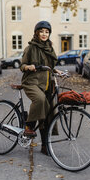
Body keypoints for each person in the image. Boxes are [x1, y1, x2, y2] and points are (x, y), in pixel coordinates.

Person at [20, 21, 62, 155]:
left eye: (47, 32)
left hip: (48, 84)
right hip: (31, 82)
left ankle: (45, 146)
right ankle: (29, 126)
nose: (44, 34)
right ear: (37, 32)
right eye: (41, 31)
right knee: (40, 100)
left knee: (48, 114)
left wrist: (56, 71)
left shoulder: (49, 47)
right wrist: (28, 67)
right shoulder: (31, 48)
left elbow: (49, 66)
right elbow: (22, 66)